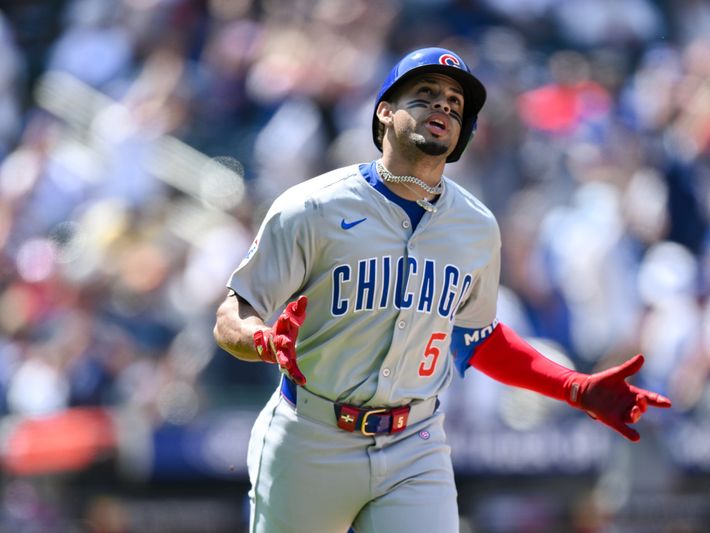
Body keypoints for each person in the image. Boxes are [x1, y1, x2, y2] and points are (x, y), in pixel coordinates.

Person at [213, 47, 672, 533]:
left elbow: (478, 338)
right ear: (384, 112)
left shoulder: (475, 226)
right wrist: (262, 341)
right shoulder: (310, 207)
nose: (444, 106)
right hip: (311, 435)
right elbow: (232, 315)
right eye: (426, 94)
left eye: (456, 101)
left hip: (415, 441)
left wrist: (573, 386)